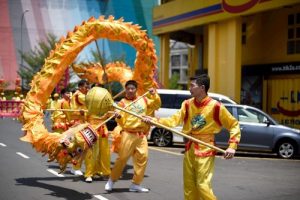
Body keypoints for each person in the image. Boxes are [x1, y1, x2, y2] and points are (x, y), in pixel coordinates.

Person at [144, 74, 241, 200]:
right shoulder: (187, 104)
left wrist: (232, 146)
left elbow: (234, 125)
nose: (189, 88)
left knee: (202, 185)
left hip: (205, 148)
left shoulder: (216, 106)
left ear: (202, 87)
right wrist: (154, 120)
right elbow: (174, 120)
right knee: (189, 187)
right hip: (190, 148)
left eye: (192, 85)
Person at [105, 80, 161, 192]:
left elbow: (156, 105)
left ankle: (136, 184)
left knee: (143, 158)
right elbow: (122, 122)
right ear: (125, 90)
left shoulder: (144, 99)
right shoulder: (122, 103)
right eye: (128, 88)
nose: (130, 91)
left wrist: (154, 94)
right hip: (128, 133)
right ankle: (111, 180)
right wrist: (119, 116)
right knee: (122, 159)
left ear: (136, 89)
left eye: (132, 88)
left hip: (141, 135)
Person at [84, 85, 111, 183]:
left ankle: (104, 172)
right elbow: (84, 118)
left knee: (104, 152)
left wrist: (116, 113)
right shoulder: (88, 102)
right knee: (91, 152)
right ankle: (89, 173)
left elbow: (113, 113)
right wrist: (82, 113)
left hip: (103, 129)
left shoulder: (107, 102)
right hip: (92, 128)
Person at [69, 79, 90, 176]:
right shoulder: (79, 95)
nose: (87, 89)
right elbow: (89, 100)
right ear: (80, 87)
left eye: (88, 87)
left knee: (79, 145)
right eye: (86, 87)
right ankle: (75, 167)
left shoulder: (80, 94)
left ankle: (75, 166)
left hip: (82, 122)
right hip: (78, 123)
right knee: (83, 144)